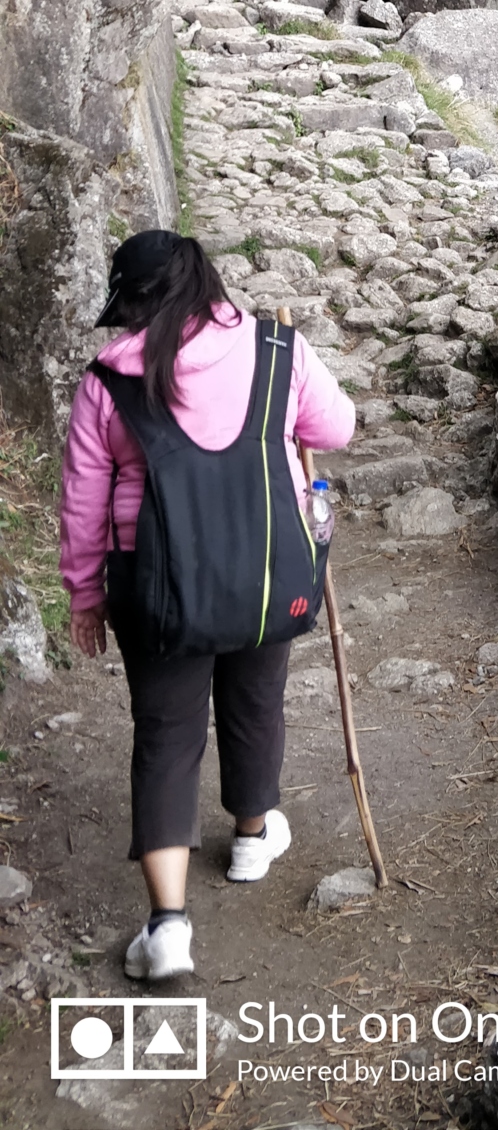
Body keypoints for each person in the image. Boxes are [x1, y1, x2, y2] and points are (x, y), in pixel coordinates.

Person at [61, 231, 354, 983]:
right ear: (206, 286)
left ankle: (167, 927)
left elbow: (84, 500)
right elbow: (336, 428)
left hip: (156, 587)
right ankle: (252, 835)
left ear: (133, 305)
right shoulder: (277, 350)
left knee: (166, 734)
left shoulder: (108, 379)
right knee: (256, 702)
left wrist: (86, 595)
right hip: (266, 570)